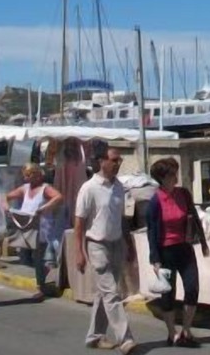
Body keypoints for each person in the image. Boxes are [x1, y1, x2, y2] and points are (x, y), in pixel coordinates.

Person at [75, 148, 137, 354]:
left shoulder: (119, 187)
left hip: (116, 242)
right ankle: (125, 338)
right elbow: (80, 222)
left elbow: (121, 218)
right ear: (102, 161)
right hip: (97, 245)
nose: (117, 163)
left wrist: (129, 244)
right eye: (113, 160)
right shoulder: (89, 188)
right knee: (112, 293)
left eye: (119, 160)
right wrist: (79, 252)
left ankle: (95, 335)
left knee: (104, 293)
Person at [146, 157, 209, 348]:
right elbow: (151, 231)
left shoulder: (184, 194)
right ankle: (172, 333)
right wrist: (155, 259)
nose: (176, 177)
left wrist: (204, 243)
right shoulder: (155, 201)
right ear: (162, 178)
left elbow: (194, 218)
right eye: (172, 174)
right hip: (166, 251)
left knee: (192, 288)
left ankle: (186, 330)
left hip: (185, 248)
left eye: (176, 172)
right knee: (168, 294)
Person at [5, 163, 64, 300]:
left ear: (37, 174)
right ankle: (43, 283)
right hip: (27, 227)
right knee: (29, 257)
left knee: (39, 257)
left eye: (29, 174)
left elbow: (59, 197)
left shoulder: (45, 189)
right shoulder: (25, 189)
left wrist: (45, 208)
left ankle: (41, 287)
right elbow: (6, 196)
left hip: (41, 228)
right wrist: (6, 207)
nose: (26, 178)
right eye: (25, 175)